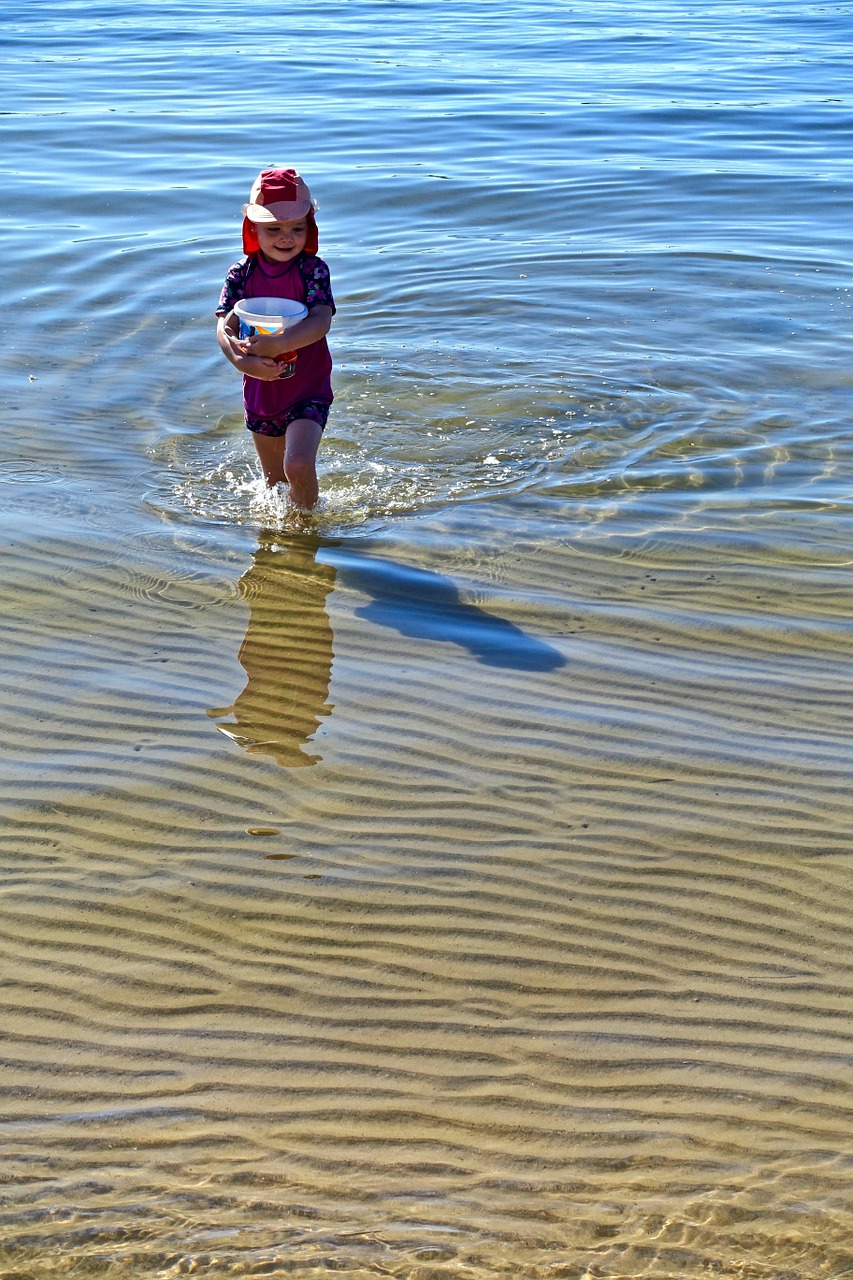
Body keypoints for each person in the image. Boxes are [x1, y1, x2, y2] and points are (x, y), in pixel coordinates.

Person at [215, 168, 335, 509]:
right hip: (261, 387)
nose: (287, 237)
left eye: (297, 228)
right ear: (253, 229)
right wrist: (241, 360)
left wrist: (280, 344)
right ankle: (279, 532)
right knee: (273, 483)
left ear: (309, 227)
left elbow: (320, 320)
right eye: (274, 229)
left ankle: (306, 531)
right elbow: (225, 322)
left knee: (297, 464)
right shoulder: (242, 273)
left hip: (308, 386)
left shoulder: (312, 270)